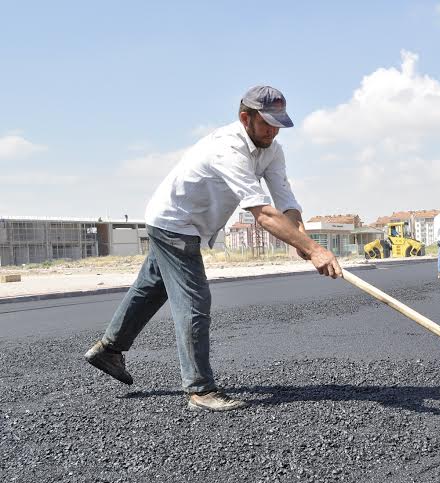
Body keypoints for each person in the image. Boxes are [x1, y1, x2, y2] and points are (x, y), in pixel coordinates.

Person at [85, 85, 342, 412]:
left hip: (191, 223)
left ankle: (109, 349)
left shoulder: (272, 150)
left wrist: (303, 242)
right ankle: (200, 390)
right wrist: (315, 249)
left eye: (279, 124)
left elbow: (286, 202)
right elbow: (262, 213)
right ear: (244, 117)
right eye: (266, 123)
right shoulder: (228, 148)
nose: (273, 131)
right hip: (174, 221)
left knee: (151, 288)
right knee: (194, 299)